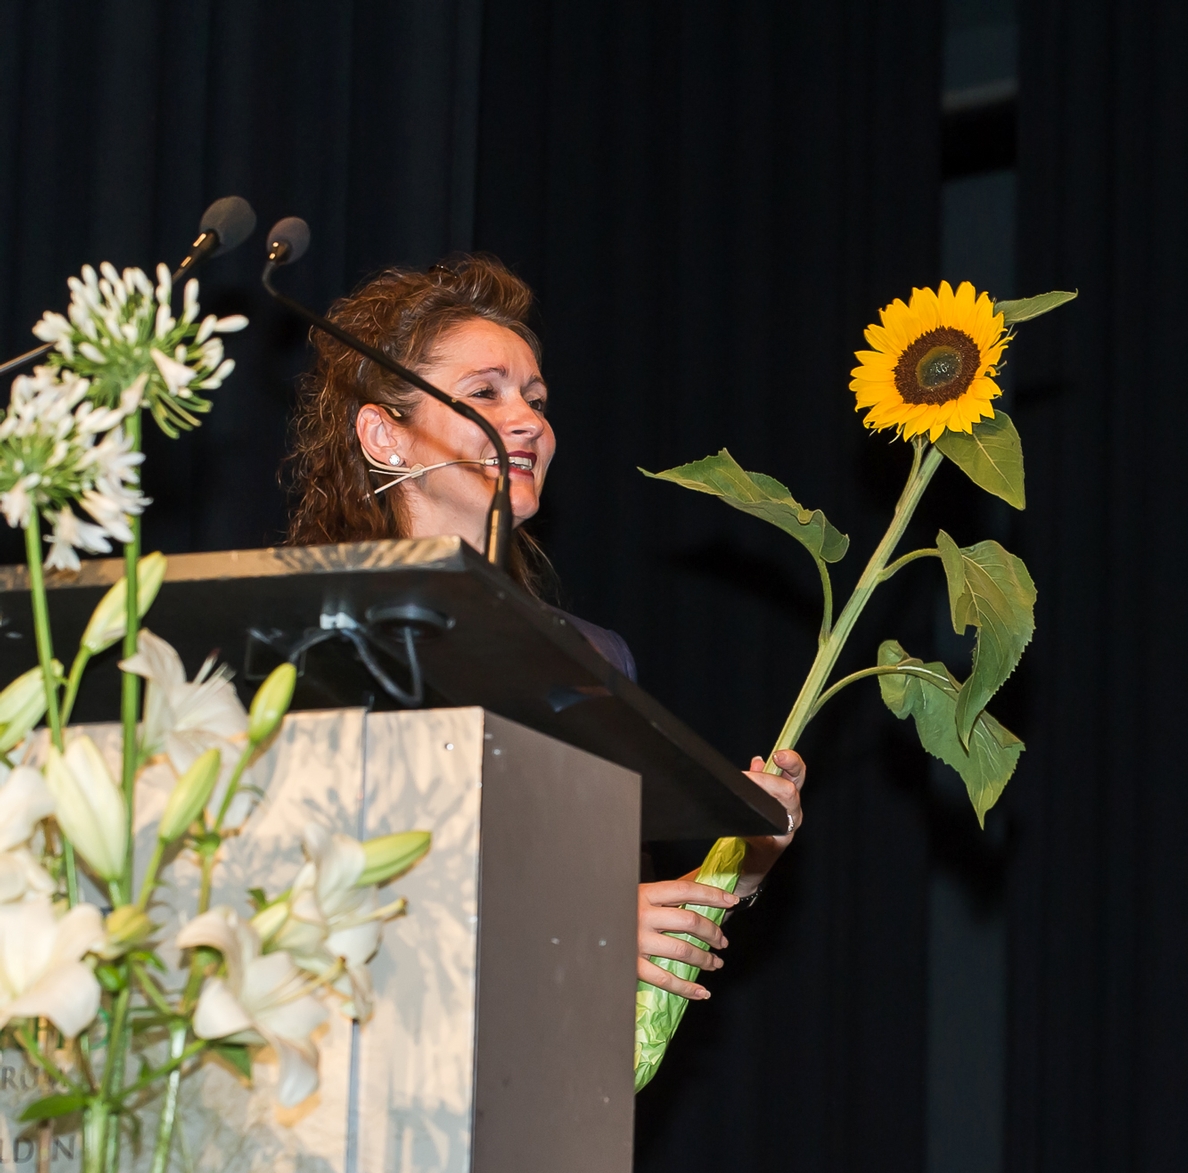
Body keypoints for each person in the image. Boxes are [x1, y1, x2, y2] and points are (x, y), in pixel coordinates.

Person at [283, 253, 803, 1004]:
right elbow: (308, 894)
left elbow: (615, 914)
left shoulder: (591, 656)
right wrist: (582, 920)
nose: (529, 421)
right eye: (484, 393)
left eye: (535, 398)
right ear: (384, 435)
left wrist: (743, 861)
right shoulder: (316, 634)